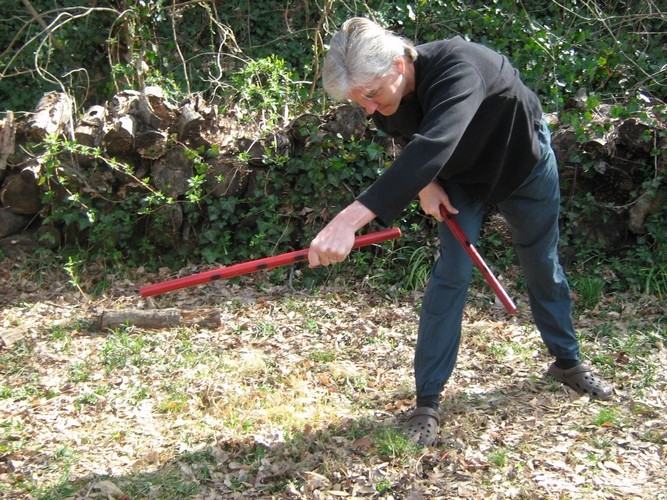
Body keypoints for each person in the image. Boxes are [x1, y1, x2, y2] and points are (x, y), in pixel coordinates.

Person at [307, 17, 613, 446]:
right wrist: (428, 184)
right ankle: (427, 400)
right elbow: (413, 145)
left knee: (540, 262)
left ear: (398, 64)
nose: (369, 110)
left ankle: (567, 361)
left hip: (522, 166)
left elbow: (435, 141)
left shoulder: (460, 67)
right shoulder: (383, 98)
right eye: (360, 102)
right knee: (451, 274)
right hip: (459, 181)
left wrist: (346, 221)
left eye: (371, 95)